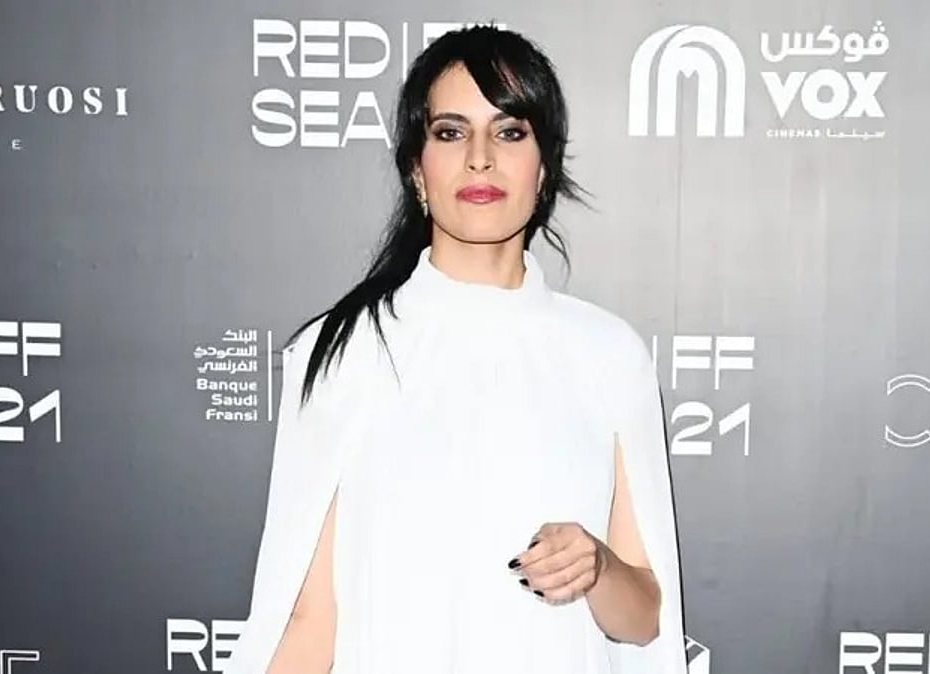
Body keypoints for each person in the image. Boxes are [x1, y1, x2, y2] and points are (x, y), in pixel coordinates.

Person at [224, 24, 686, 674]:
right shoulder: (344, 351)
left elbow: (644, 621)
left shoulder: (609, 354)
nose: (480, 158)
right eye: (450, 132)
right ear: (417, 169)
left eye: (509, 131)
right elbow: (307, 623)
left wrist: (596, 564)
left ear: (544, 168)